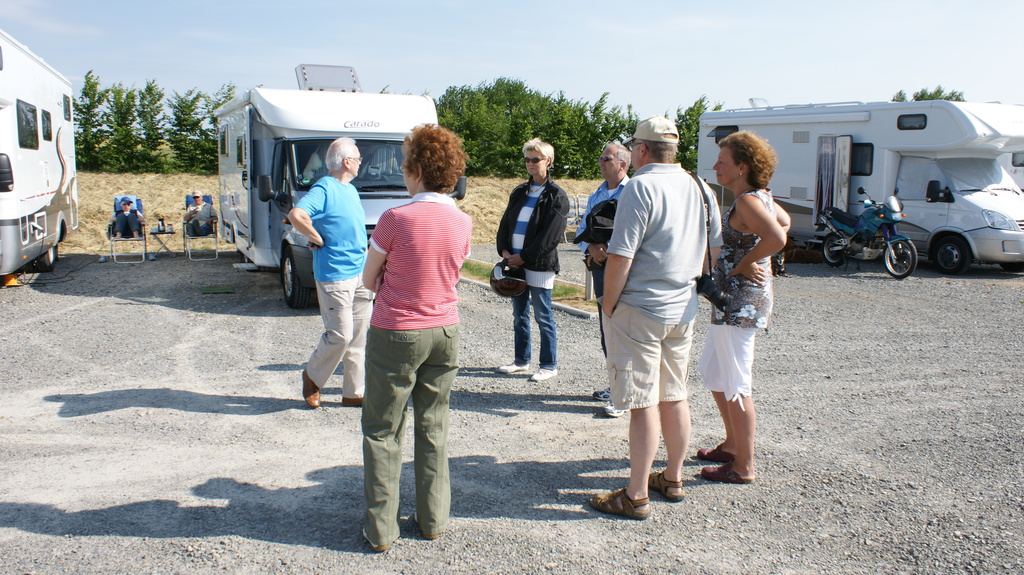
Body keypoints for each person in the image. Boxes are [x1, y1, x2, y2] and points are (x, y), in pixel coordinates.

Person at [589, 116, 722, 520]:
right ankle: (674, 477)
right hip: (682, 309)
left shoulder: (641, 187)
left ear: (641, 150)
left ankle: (636, 494)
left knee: (642, 401)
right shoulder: (701, 188)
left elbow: (620, 256)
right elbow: (713, 252)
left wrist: (607, 305)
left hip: (640, 308)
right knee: (674, 393)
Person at [360, 124, 473, 552]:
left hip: (397, 330)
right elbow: (451, 273)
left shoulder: (395, 218)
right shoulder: (462, 222)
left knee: (382, 429)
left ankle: (381, 529)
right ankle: (432, 519)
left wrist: (394, 278)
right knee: (433, 425)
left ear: (419, 170)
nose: (404, 172)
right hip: (445, 329)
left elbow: (370, 279)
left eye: (406, 165)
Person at [695, 130, 790, 484]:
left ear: (742, 167)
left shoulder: (749, 201)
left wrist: (743, 263)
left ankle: (744, 465)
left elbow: (778, 237)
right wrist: (754, 257)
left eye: (723, 161)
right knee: (712, 370)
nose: (716, 166)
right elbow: (785, 222)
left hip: (741, 303)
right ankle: (733, 445)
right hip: (730, 303)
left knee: (736, 382)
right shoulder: (758, 197)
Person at [288, 137, 372, 409]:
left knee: (359, 337)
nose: (360, 162)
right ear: (347, 161)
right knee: (341, 335)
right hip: (335, 273)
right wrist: (316, 237)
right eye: (358, 158)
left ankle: (354, 393)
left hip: (359, 273)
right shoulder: (324, 187)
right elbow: (296, 214)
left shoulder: (350, 190)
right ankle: (312, 376)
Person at [495, 138, 569, 383]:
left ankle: (548, 364)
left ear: (548, 161)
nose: (530, 164)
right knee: (519, 315)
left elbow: (551, 236)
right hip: (514, 265)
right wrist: (504, 251)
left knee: (543, 316)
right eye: (527, 159)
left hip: (538, 265)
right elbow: (506, 223)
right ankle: (521, 360)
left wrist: (524, 257)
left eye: (535, 159)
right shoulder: (519, 191)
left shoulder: (556, 196)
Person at [577, 143, 630, 417]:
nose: (601, 162)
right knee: (607, 329)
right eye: (600, 158)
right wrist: (591, 249)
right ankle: (615, 385)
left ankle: (624, 394)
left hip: (623, 270)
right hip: (600, 269)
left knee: (623, 329)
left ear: (622, 163)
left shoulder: (633, 192)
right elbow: (581, 228)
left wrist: (611, 249)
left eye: (606, 158)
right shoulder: (597, 193)